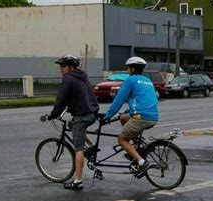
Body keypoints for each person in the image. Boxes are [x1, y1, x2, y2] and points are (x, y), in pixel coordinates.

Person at [48, 54, 99, 190]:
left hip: (81, 116)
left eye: (63, 66)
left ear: (71, 67)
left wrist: (53, 115)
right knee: (72, 125)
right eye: (60, 66)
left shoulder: (68, 78)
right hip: (92, 113)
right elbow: (80, 95)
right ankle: (92, 145)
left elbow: (61, 99)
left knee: (78, 149)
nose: (61, 69)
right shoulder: (83, 76)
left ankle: (77, 181)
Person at [104, 56, 159, 177]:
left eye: (128, 68)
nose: (127, 70)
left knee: (122, 139)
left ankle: (142, 162)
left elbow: (119, 99)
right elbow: (145, 99)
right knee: (124, 117)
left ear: (133, 69)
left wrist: (108, 115)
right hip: (153, 116)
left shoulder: (130, 80)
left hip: (141, 117)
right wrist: (129, 110)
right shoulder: (148, 81)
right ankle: (136, 147)